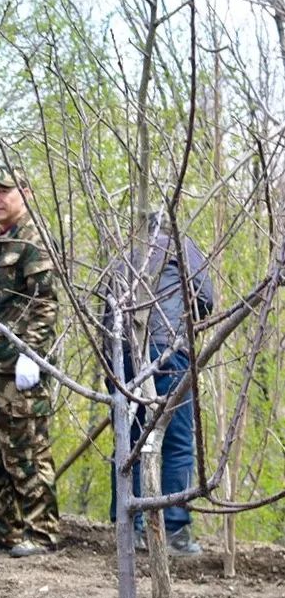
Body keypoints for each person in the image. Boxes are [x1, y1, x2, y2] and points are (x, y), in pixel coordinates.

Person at [0, 166, 60, 558]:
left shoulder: (33, 241)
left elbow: (45, 303)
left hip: (19, 367)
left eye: (4, 190)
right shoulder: (2, 241)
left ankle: (42, 531)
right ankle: (5, 528)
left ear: (26, 193)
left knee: (26, 450)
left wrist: (31, 355)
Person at [105, 214, 214, 556]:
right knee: (177, 440)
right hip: (168, 349)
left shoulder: (122, 256)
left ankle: (130, 525)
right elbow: (205, 300)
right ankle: (175, 530)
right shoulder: (183, 248)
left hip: (123, 351)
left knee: (131, 441)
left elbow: (105, 313)